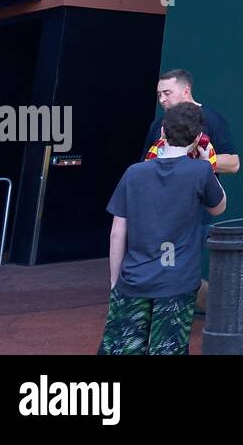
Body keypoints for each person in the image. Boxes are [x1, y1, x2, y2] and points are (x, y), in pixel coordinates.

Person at [99, 102, 226, 355]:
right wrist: (207, 164)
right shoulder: (200, 171)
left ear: (163, 133)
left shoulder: (134, 173)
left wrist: (115, 281)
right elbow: (219, 207)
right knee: (169, 348)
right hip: (177, 279)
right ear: (198, 137)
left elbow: (117, 232)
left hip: (134, 278)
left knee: (123, 348)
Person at [141, 69, 241, 175]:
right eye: (159, 94)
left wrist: (204, 158)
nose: (162, 99)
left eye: (167, 93)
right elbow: (145, 163)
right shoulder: (157, 124)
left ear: (186, 92)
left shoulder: (211, 119)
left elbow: (234, 164)